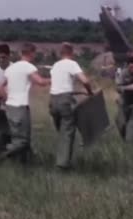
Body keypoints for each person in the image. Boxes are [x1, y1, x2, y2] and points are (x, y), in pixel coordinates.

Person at [0, 43, 50, 164]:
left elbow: (0, 87)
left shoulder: (10, 68)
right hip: (20, 107)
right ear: (32, 53)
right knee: (24, 140)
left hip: (9, 107)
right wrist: (54, 80)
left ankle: (22, 163)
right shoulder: (29, 67)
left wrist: (7, 99)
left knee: (16, 137)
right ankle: (3, 154)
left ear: (21, 53)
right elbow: (40, 82)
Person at [49, 42, 93, 170]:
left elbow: (59, 87)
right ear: (71, 53)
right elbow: (85, 80)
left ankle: (62, 158)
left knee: (62, 131)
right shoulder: (72, 64)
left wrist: (80, 92)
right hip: (65, 101)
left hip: (53, 101)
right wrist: (89, 92)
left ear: (60, 53)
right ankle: (62, 164)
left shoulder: (55, 66)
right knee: (67, 133)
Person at [115, 57, 133, 142]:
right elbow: (117, 88)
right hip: (125, 101)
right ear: (128, 66)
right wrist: (128, 87)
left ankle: (131, 138)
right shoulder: (123, 73)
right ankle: (125, 137)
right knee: (120, 122)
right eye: (131, 67)